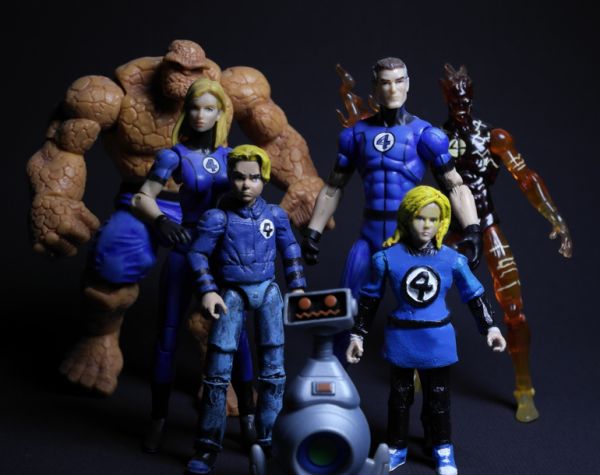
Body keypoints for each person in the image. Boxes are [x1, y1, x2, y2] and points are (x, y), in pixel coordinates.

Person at [26, 39, 325, 396]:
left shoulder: (235, 89)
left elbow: (275, 137)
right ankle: (101, 337)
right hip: (143, 198)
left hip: (211, 206)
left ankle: (217, 365)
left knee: (228, 284)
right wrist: (54, 197)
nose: (186, 79)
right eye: (178, 69)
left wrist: (304, 181)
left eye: (195, 74)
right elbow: (63, 145)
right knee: (113, 262)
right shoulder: (111, 96)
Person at [302, 57, 481, 361]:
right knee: (347, 303)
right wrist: (313, 231)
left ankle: (420, 373)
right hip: (370, 235)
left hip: (410, 239)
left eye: (399, 81)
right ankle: (336, 375)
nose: (392, 88)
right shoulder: (355, 136)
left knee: (420, 308)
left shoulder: (427, 135)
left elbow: (455, 184)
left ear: (408, 85)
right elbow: (333, 187)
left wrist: (473, 229)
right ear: (374, 87)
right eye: (385, 82)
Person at [439, 63, 572, 421]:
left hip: (485, 224)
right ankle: (418, 372)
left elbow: (526, 177)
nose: (461, 107)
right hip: (449, 229)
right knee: (425, 299)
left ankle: (524, 388)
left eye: (465, 100)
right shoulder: (434, 138)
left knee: (513, 306)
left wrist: (555, 218)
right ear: (447, 100)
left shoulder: (493, 137)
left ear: (472, 98)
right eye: (455, 101)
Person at [130, 78, 255, 452]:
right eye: (195, 108)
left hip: (222, 253)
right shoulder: (174, 156)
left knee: (238, 334)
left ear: (220, 113)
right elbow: (142, 197)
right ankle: (158, 419)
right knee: (167, 333)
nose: (201, 115)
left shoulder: (233, 157)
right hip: (186, 247)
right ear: (187, 111)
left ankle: (249, 418)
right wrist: (161, 221)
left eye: (209, 108)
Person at [346, 185, 506, 475]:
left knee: (439, 398)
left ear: (442, 222)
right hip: (402, 338)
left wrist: (490, 328)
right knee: (399, 397)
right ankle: (396, 446)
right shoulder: (387, 258)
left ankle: (442, 446)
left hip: (437, 339)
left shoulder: (452, 259)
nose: (427, 225)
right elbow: (370, 298)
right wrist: (358, 335)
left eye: (433, 219)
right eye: (421, 217)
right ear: (407, 218)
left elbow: (474, 294)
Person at [185, 145, 306, 474]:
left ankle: (270, 440)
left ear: (264, 178)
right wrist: (208, 290)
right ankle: (208, 445)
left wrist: (297, 287)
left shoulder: (275, 216)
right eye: (238, 177)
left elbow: (290, 249)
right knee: (217, 373)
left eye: (253, 178)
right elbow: (197, 254)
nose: (245, 184)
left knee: (274, 372)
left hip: (267, 291)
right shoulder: (218, 217)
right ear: (230, 177)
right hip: (232, 293)